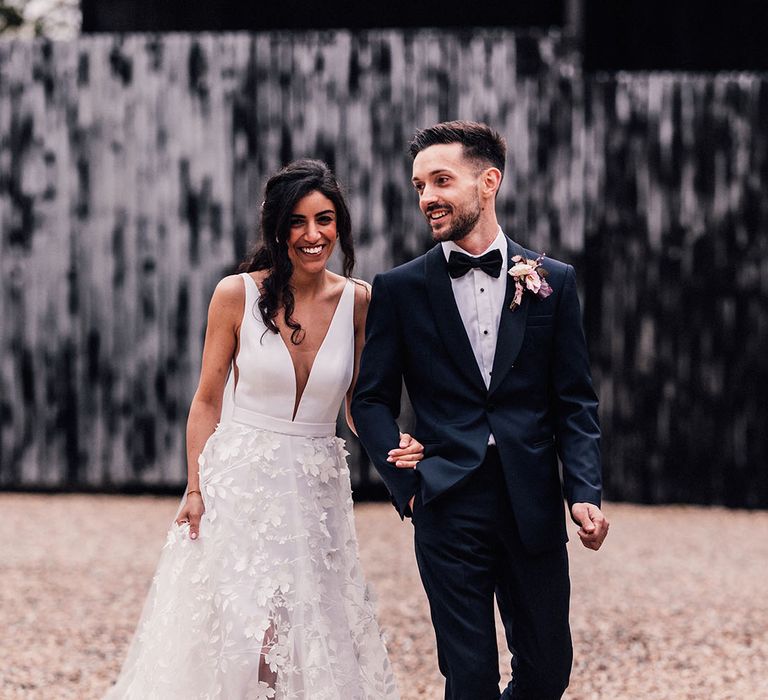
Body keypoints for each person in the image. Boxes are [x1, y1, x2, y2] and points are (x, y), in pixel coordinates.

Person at [105, 159, 422, 699]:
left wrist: (398, 441)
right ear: (277, 229)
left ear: (339, 225)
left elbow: (357, 406)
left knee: (311, 624)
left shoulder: (359, 301)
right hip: (242, 482)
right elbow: (206, 401)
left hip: (316, 485)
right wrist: (195, 488)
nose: (313, 234)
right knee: (247, 627)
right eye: (297, 222)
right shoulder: (236, 295)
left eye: (324, 219)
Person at [351, 121, 609, 699]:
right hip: (445, 497)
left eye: (441, 180)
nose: (427, 198)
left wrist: (584, 493)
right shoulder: (400, 288)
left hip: (533, 499)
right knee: (468, 678)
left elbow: (575, 401)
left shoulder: (553, 282)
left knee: (547, 671)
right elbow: (369, 399)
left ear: (488, 181)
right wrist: (404, 480)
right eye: (419, 185)